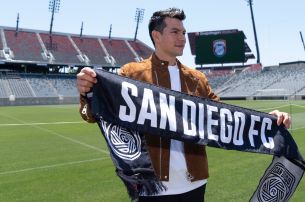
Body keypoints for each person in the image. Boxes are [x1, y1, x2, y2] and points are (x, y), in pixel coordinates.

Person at [76, 7, 291, 202]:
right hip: (151, 188)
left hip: (195, 184)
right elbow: (93, 113)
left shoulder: (197, 78)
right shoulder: (131, 74)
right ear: (156, 36)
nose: (182, 38)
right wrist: (87, 91)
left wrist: (269, 121)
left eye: (184, 33)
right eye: (175, 32)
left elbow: (225, 119)